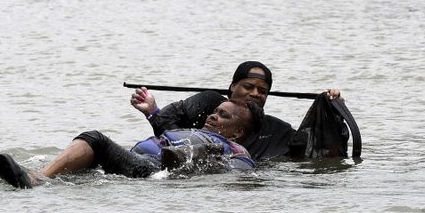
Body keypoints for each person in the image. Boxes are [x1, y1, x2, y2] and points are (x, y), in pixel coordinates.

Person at [0, 99, 264, 189]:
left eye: (223, 115)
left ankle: (37, 179)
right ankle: (44, 172)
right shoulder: (188, 131)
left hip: (153, 171)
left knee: (96, 138)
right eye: (214, 111)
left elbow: (238, 173)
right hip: (134, 160)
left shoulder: (238, 151)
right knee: (94, 147)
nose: (213, 116)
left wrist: (198, 161)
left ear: (238, 131)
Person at [130, 61, 343, 161]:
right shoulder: (209, 103)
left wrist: (332, 109)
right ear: (233, 87)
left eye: (262, 90)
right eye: (248, 87)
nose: (255, 93)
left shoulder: (278, 130)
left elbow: (316, 147)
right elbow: (168, 129)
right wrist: (151, 110)